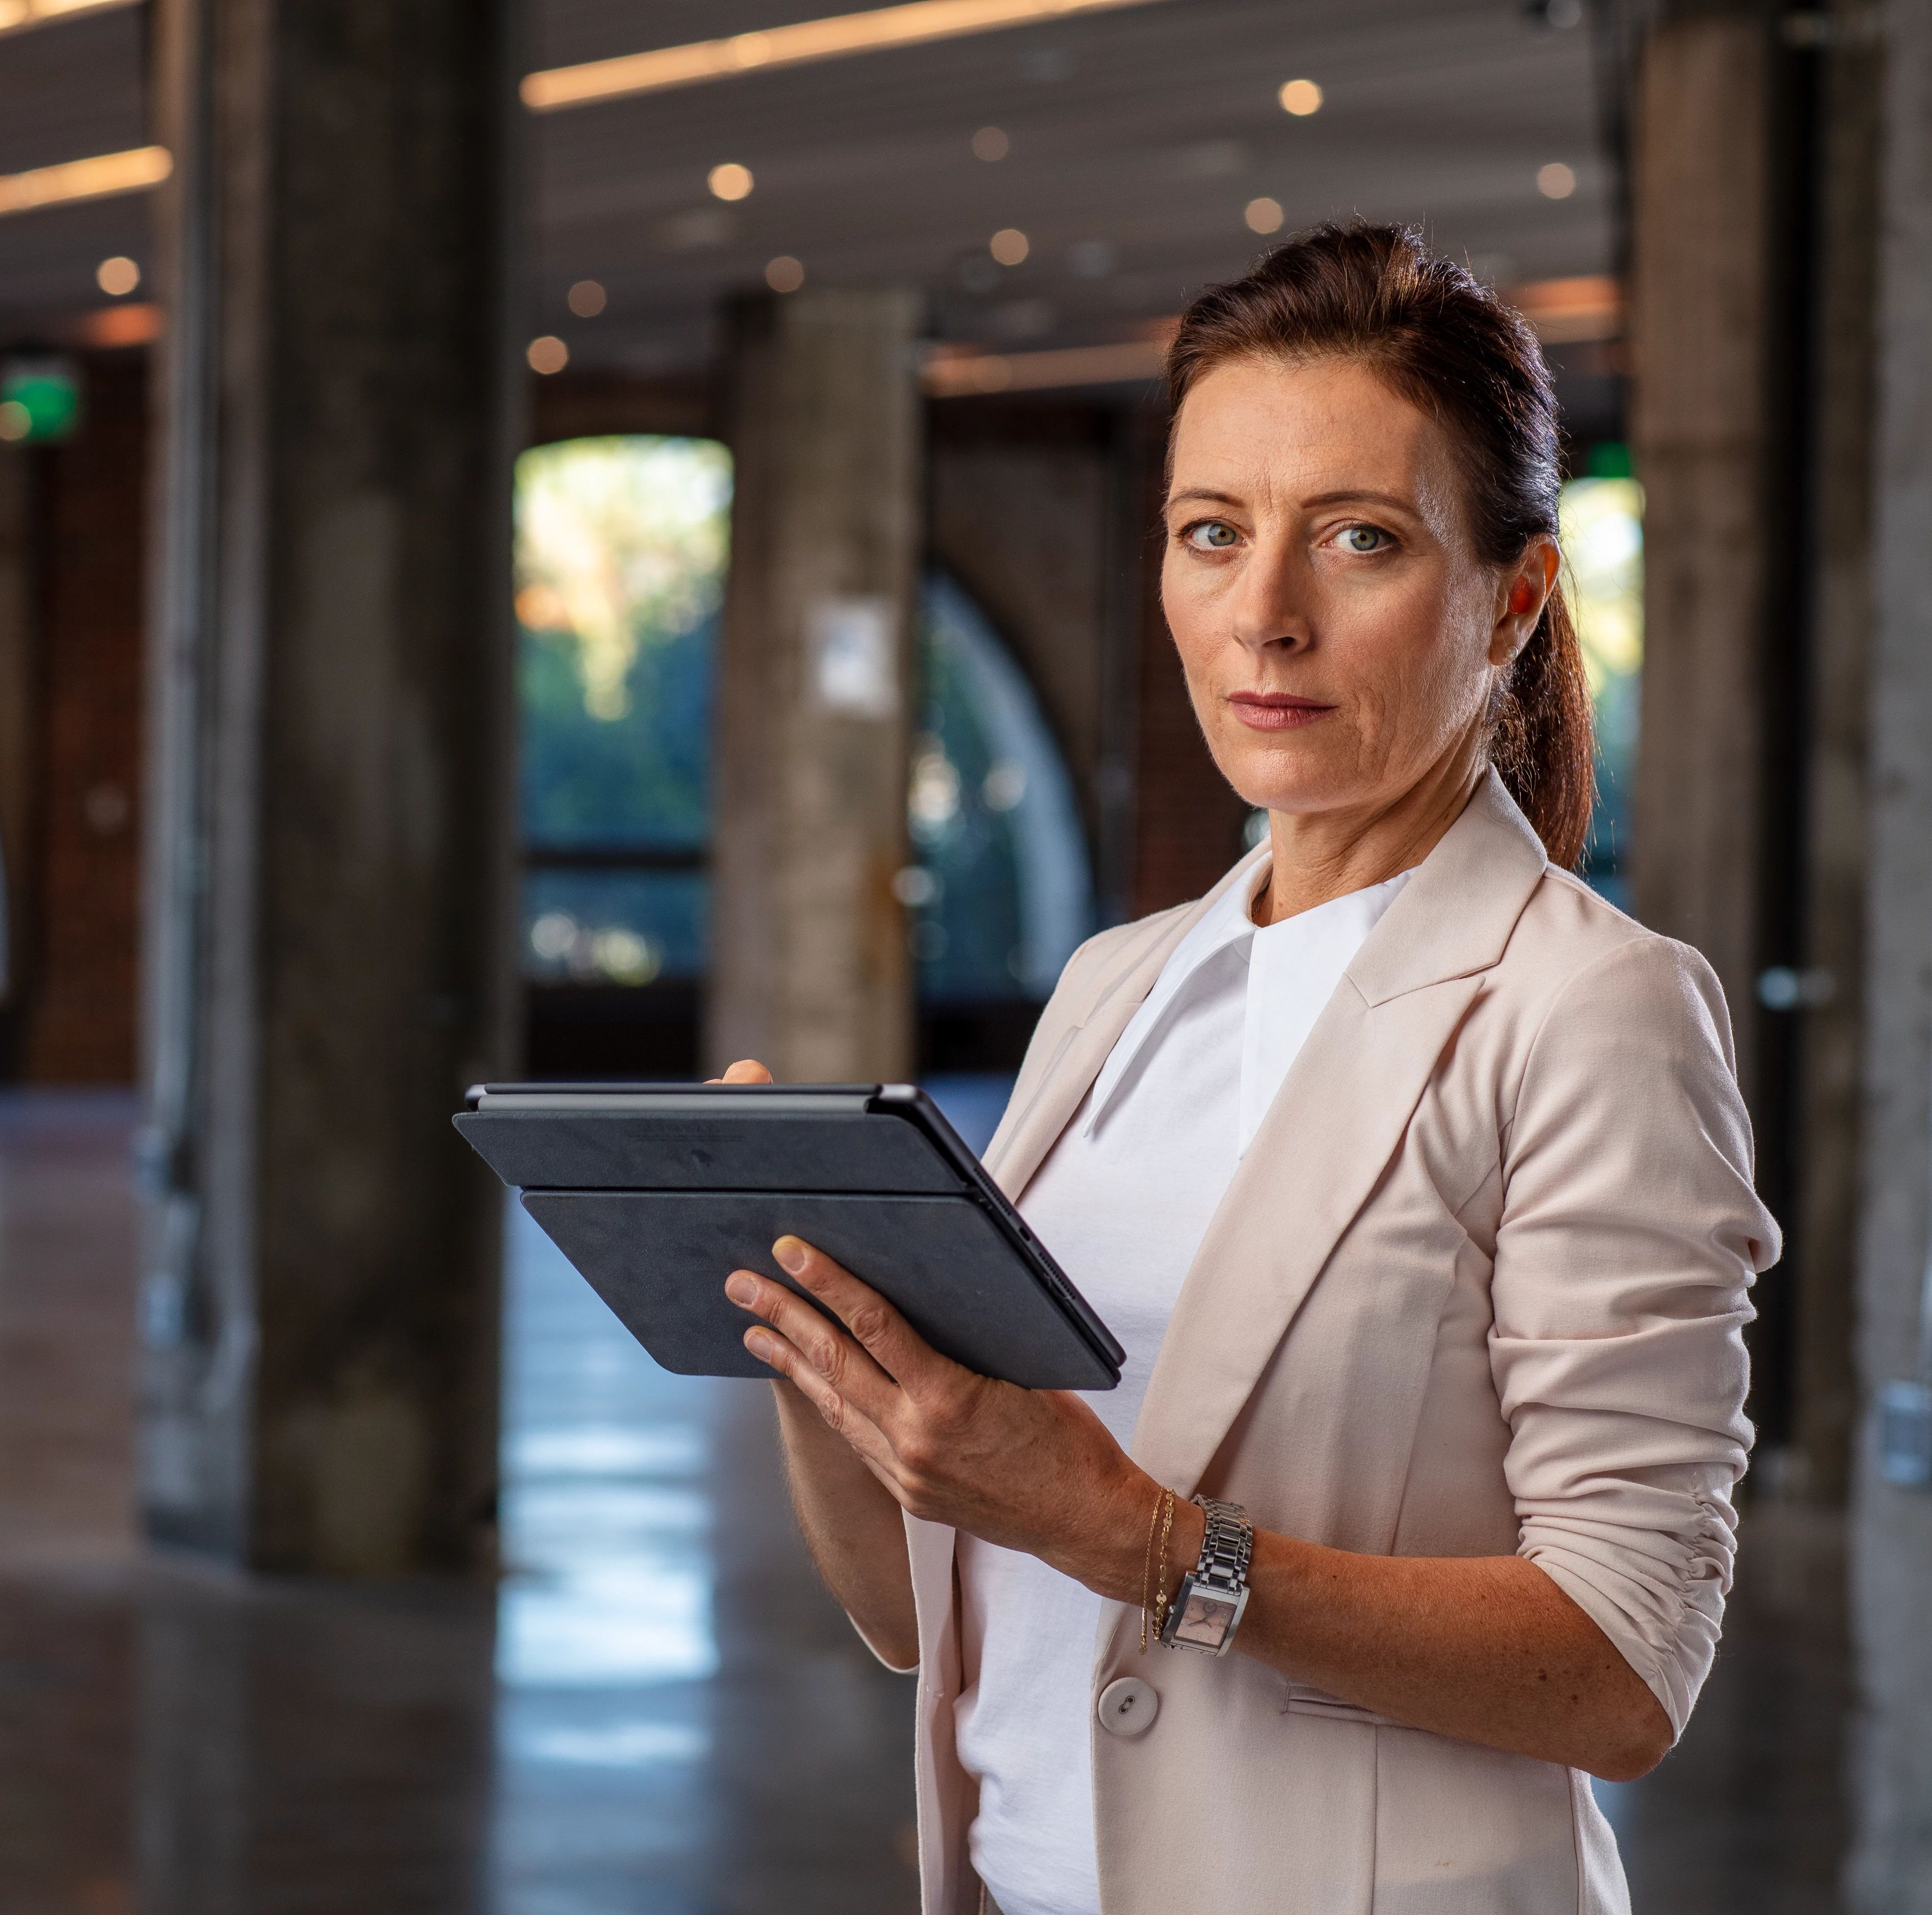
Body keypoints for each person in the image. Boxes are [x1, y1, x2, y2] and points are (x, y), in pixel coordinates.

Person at [717, 223, 1777, 1913]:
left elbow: (1623, 1667)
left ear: (1512, 598)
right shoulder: (1120, 986)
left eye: (1357, 539)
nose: (1263, 615)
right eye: (1212, 533)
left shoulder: (1594, 1011)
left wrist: (1139, 1542)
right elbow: (919, 1614)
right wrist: (825, 1352)